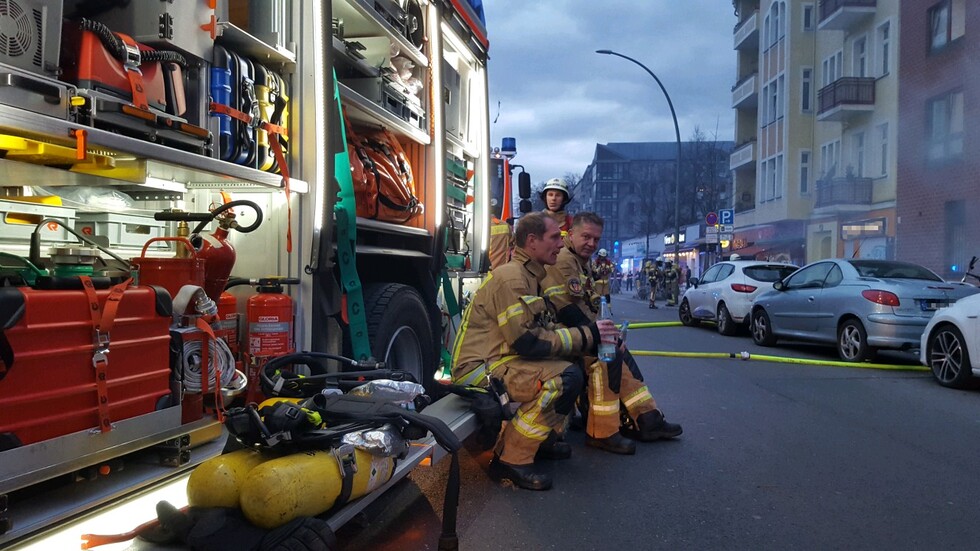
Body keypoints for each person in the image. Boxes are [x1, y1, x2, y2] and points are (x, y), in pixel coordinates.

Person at [451, 212, 620, 490]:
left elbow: (545, 330)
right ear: (532, 241)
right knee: (565, 378)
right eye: (554, 237)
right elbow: (529, 342)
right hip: (479, 370)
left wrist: (588, 340)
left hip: (499, 359)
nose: (560, 243)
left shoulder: (530, 275)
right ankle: (511, 457)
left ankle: (541, 440)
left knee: (572, 365)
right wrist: (588, 335)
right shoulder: (512, 278)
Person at [542, 212, 682, 453]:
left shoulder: (578, 260)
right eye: (586, 237)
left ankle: (648, 418)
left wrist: (608, 333)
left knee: (618, 353)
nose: (592, 244)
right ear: (571, 234)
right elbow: (567, 310)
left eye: (596, 239)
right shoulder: (565, 259)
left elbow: (587, 304)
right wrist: (602, 338)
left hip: (574, 331)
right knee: (608, 357)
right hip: (562, 334)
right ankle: (603, 432)